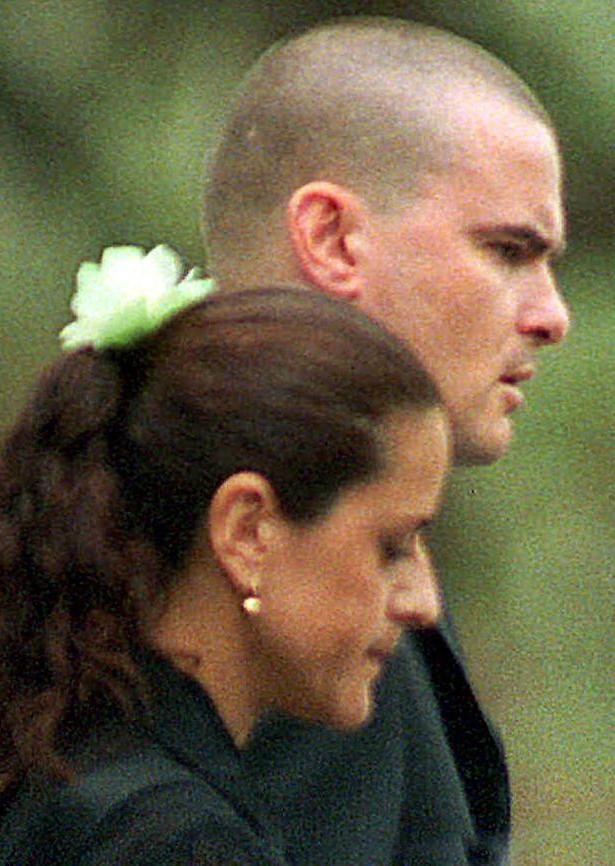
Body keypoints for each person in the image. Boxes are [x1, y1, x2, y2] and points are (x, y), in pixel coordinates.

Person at [201, 16, 570, 866]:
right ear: (332, 240)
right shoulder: (289, 587)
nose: (551, 316)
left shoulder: (153, 498)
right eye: (508, 250)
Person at [0, 245, 450, 866]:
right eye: (391, 546)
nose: (423, 604)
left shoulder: (66, 772)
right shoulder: (173, 841)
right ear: (247, 533)